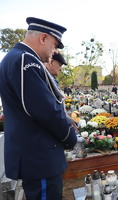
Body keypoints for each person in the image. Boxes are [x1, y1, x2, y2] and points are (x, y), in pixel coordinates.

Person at [0, 17, 77, 200]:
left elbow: (32, 105)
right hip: (39, 156)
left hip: (35, 154)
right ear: (43, 38)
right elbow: (46, 111)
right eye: (55, 45)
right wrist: (69, 136)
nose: (55, 51)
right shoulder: (26, 60)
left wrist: (65, 118)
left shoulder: (17, 57)